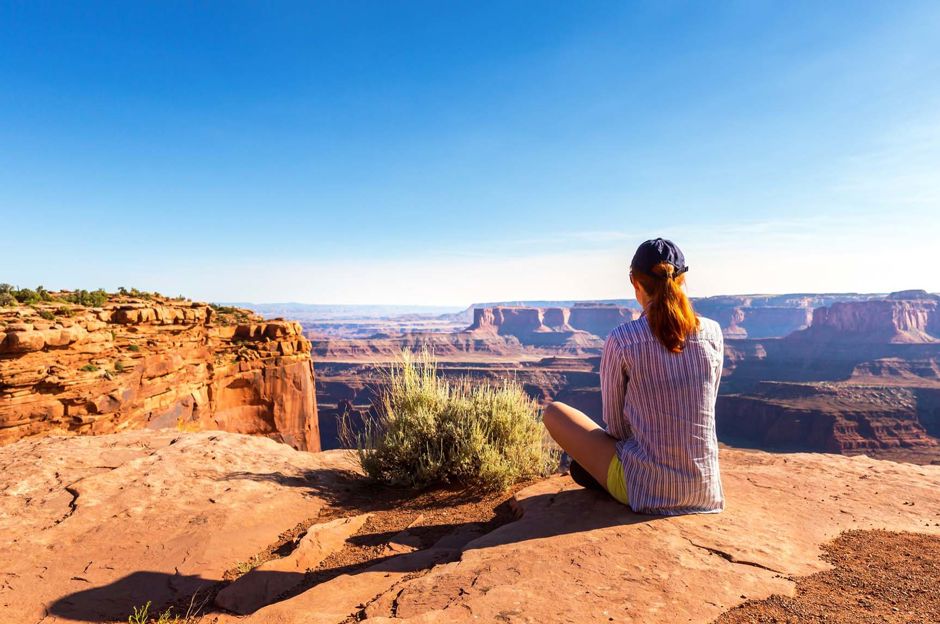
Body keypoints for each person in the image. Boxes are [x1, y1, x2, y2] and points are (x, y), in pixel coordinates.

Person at [543, 238, 725, 515]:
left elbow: (616, 429)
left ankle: (607, 478)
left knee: (554, 412)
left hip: (646, 489)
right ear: (682, 280)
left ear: (635, 282)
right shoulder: (713, 333)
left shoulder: (623, 339)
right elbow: (707, 404)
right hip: (704, 488)